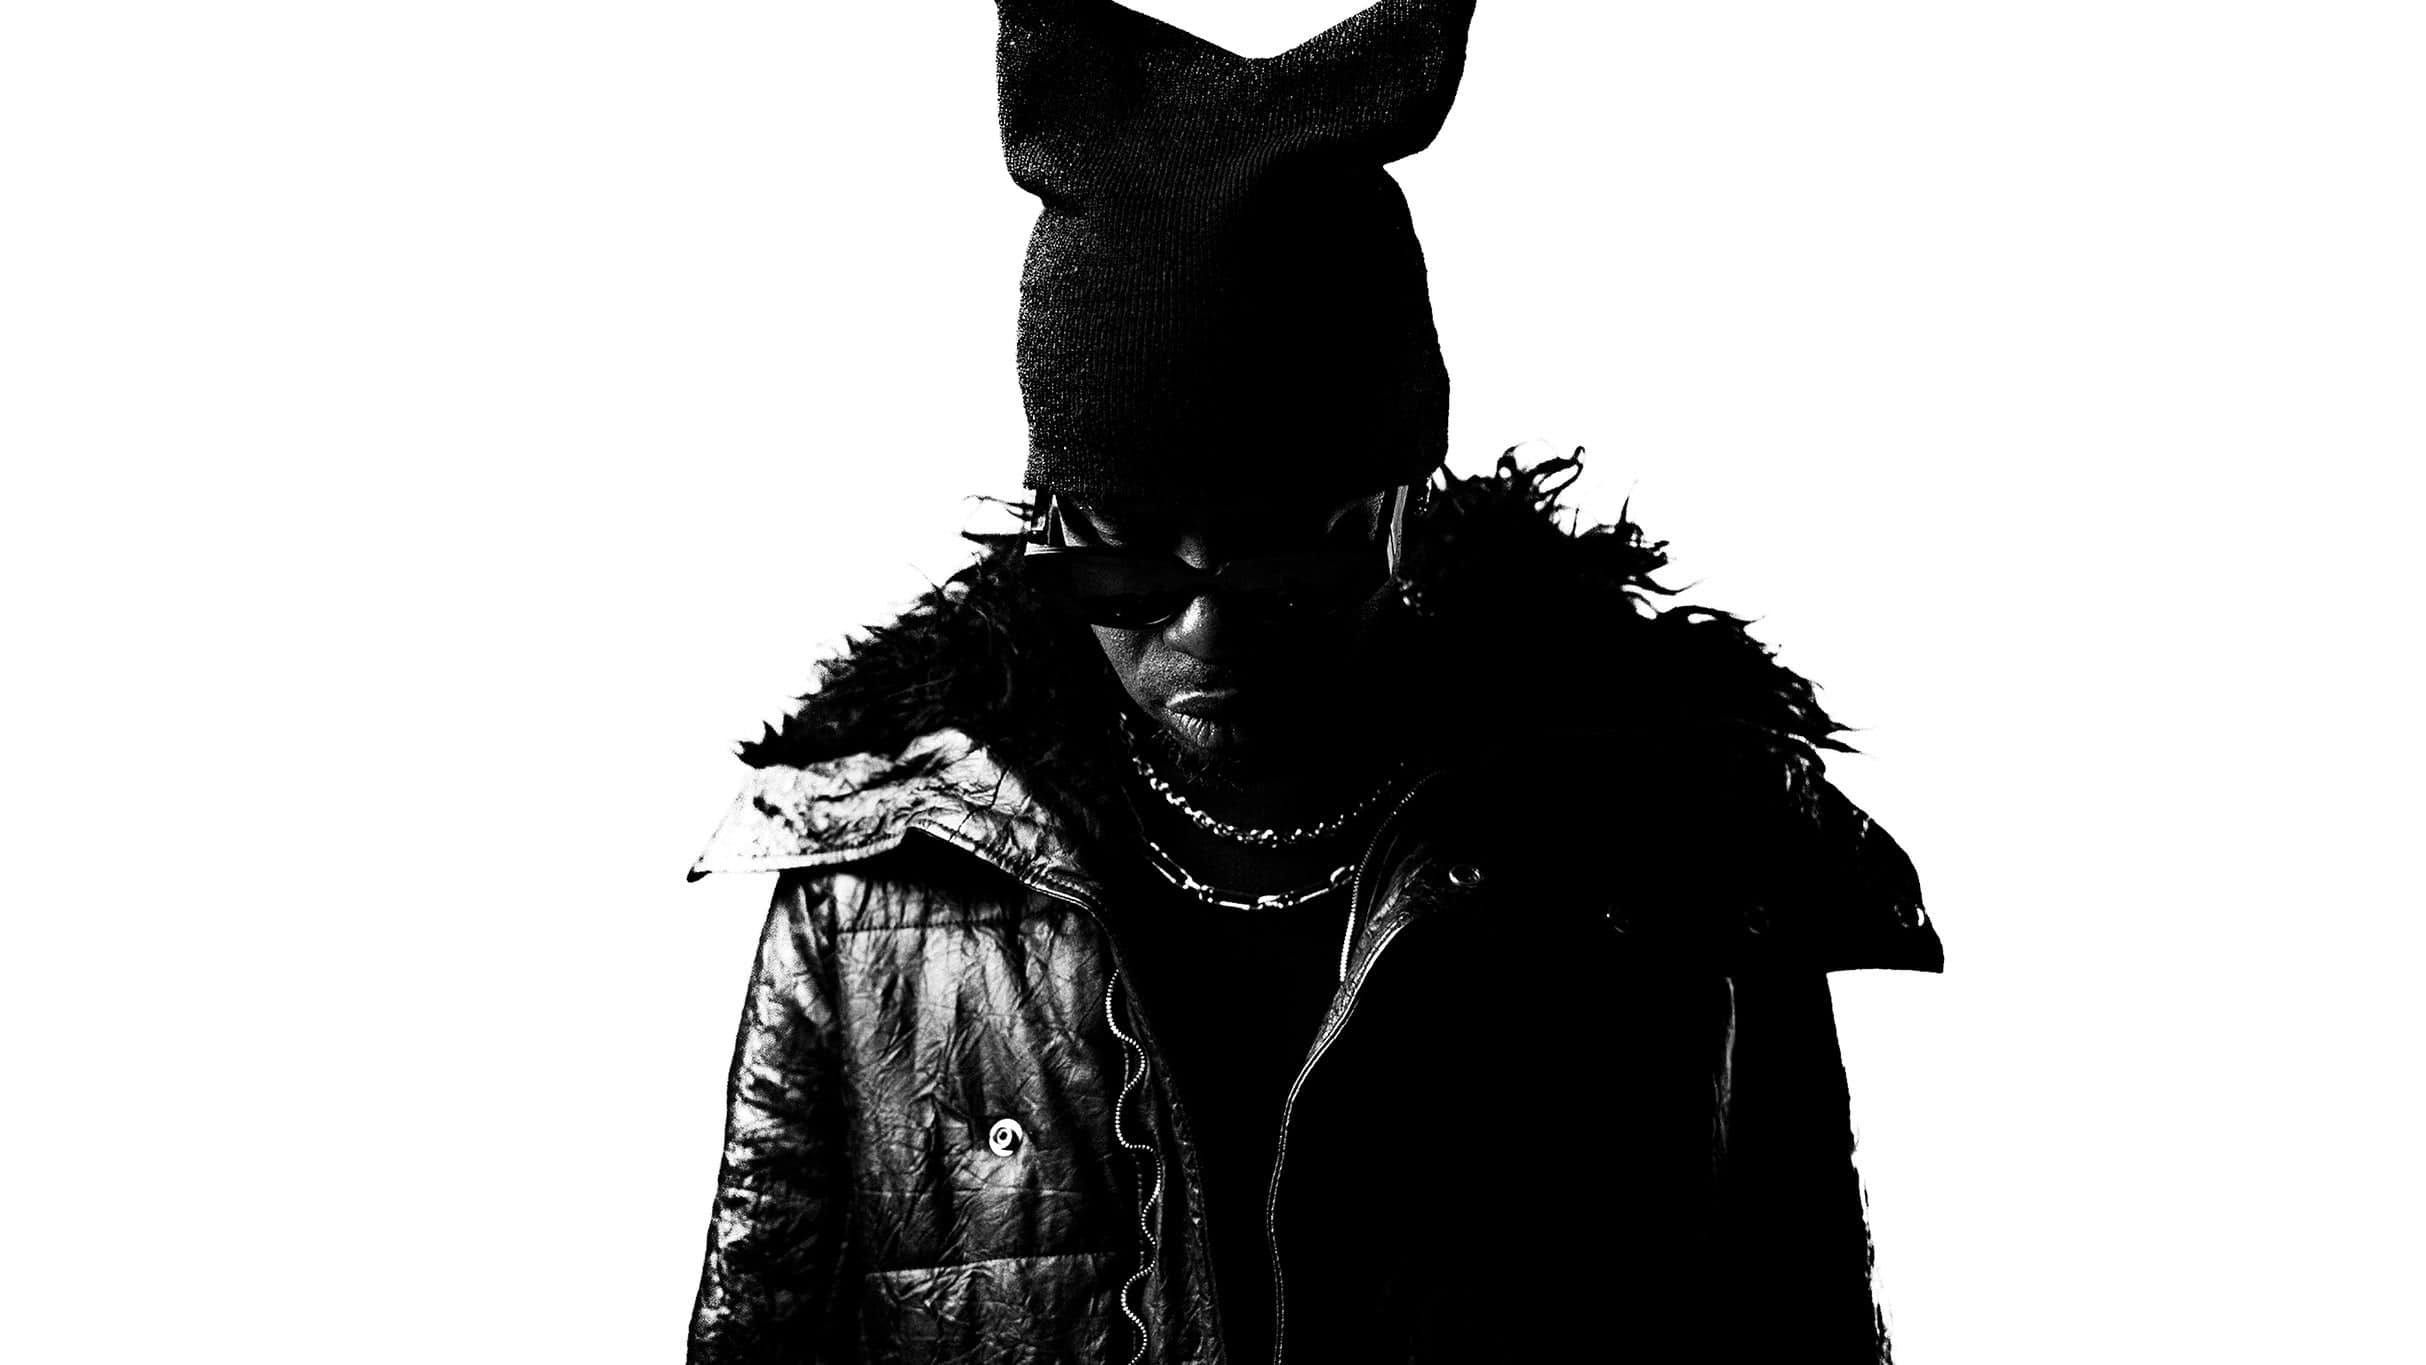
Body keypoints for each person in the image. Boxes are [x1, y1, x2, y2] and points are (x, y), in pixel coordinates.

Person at [685, 2, 1940, 1361]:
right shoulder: (881, 879)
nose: (1204, 629)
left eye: (1284, 561)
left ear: (1401, 514)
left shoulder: (1667, 854)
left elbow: (1800, 1317)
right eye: (1124, 564)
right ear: (1047, 527)